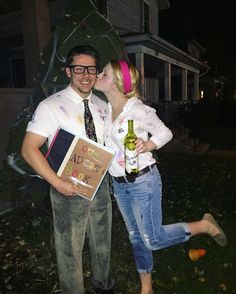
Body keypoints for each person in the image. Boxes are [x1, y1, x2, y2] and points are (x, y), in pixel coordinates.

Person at [94, 59, 227, 294]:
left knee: (152, 239)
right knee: (137, 237)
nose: (97, 74)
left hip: (143, 182)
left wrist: (148, 145)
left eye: (103, 73)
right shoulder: (104, 110)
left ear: (116, 81)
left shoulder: (138, 110)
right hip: (119, 185)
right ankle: (147, 288)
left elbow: (165, 133)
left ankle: (204, 225)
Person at [21, 45, 115, 294]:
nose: (86, 75)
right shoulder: (50, 106)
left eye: (92, 69)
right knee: (69, 250)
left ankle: (103, 286)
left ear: (97, 72)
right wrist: (57, 183)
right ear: (68, 71)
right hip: (66, 187)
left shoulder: (102, 105)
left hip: (100, 185)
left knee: (102, 240)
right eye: (79, 68)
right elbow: (29, 149)